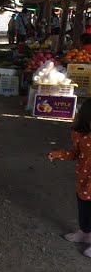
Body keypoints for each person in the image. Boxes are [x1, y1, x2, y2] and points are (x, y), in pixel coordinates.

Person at [48, 98, 91, 258]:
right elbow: (74, 154)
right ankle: (85, 233)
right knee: (84, 209)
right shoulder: (80, 136)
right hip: (84, 182)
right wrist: (58, 154)